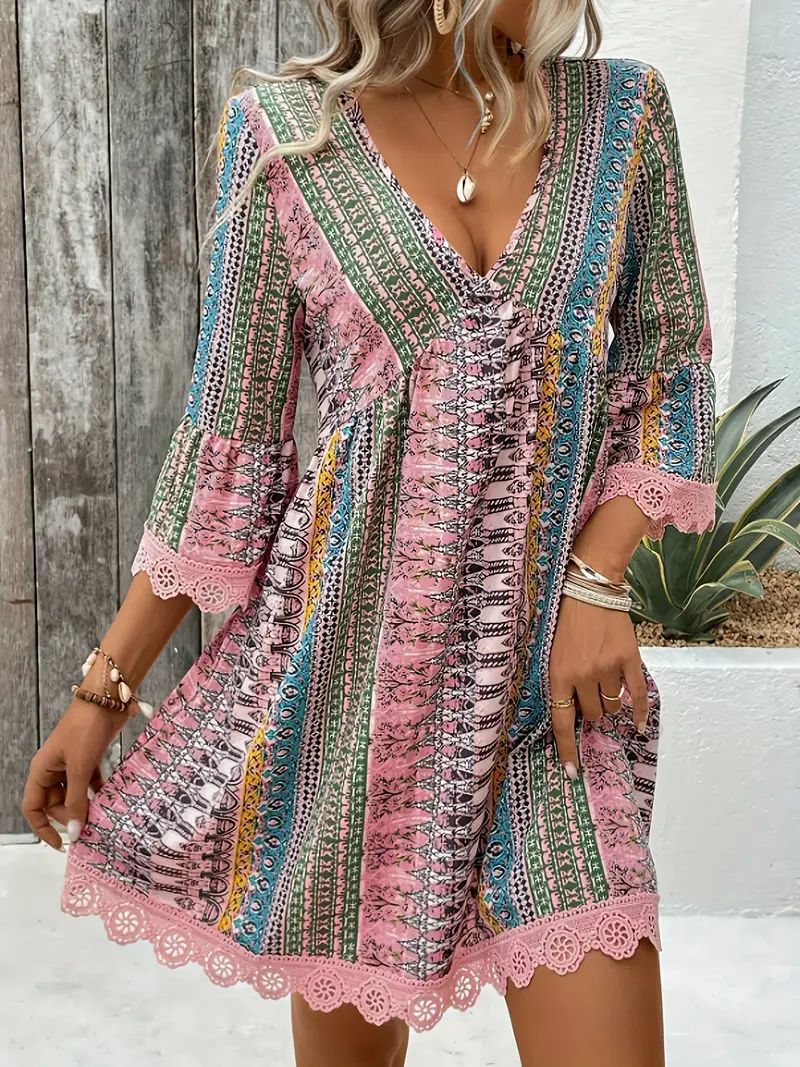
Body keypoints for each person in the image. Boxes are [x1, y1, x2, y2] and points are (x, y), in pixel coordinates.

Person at [21, 1, 718, 1064]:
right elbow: (230, 446)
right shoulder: (285, 137)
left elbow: (670, 373)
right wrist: (100, 692)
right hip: (351, 701)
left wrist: (597, 579)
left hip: (555, 707)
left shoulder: (622, 116)